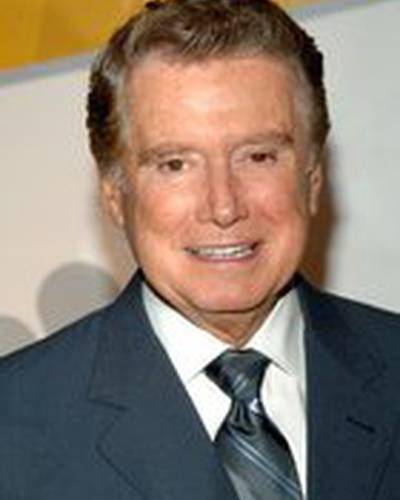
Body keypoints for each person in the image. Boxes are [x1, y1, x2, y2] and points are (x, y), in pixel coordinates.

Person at [1, 1, 400, 499]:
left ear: (313, 178)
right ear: (114, 195)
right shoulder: (13, 426)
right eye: (175, 164)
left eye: (258, 156)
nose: (224, 206)